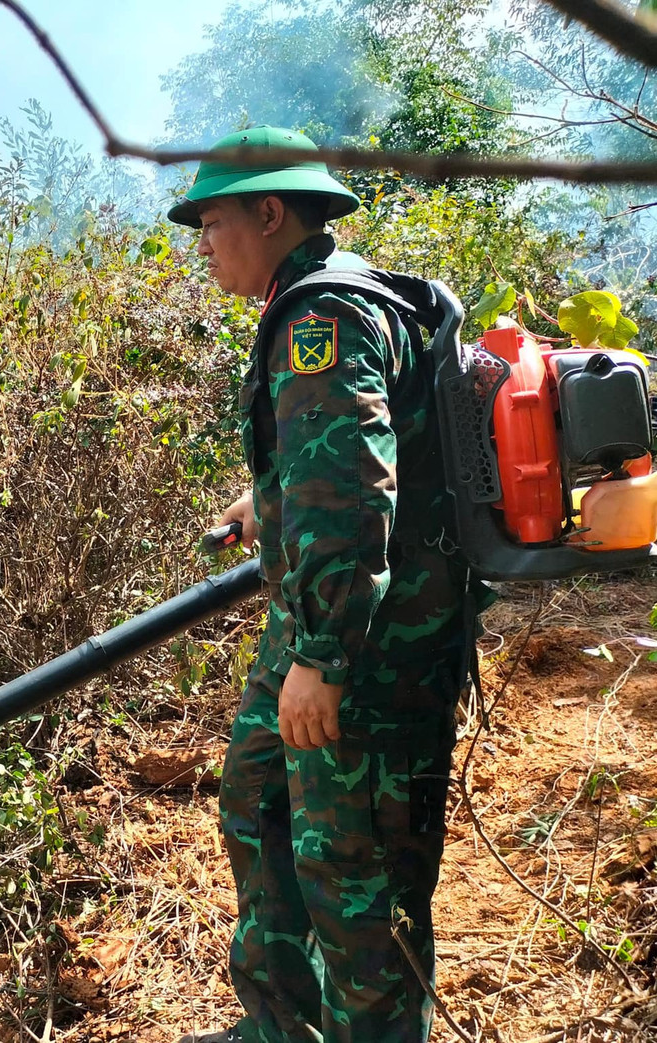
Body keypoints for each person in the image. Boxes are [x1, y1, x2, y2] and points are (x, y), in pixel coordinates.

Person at [167, 127, 472, 1043]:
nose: (204, 243)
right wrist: (267, 498)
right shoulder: (318, 302)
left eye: (213, 221)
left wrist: (326, 659)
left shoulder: (321, 321)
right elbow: (336, 463)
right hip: (323, 628)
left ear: (270, 213)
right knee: (257, 806)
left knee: (357, 881)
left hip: (368, 652)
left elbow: (353, 505)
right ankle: (282, 1025)